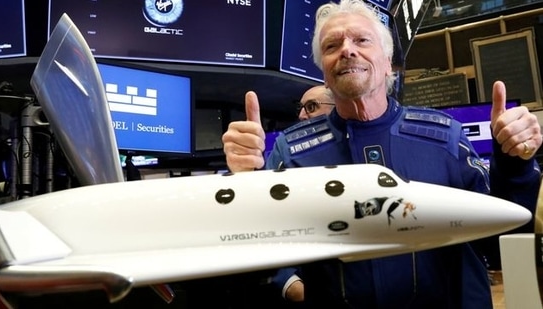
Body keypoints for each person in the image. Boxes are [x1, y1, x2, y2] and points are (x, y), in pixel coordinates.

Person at [222, 0, 542, 307]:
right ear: (324, 73)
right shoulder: (289, 152)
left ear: (389, 63)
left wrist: (514, 162)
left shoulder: (446, 137)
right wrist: (244, 184)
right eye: (332, 46)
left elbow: (500, 242)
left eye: (362, 40)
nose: (347, 49)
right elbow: (258, 247)